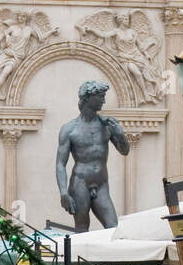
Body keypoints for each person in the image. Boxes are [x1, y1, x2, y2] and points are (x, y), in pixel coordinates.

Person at [55, 80, 130, 231]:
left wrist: (120, 135)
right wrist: (63, 193)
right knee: (82, 227)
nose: (104, 100)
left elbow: (125, 151)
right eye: (100, 96)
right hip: (80, 183)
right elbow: (60, 164)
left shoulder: (107, 125)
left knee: (113, 226)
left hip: (102, 183)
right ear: (87, 98)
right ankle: (79, 255)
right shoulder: (70, 129)